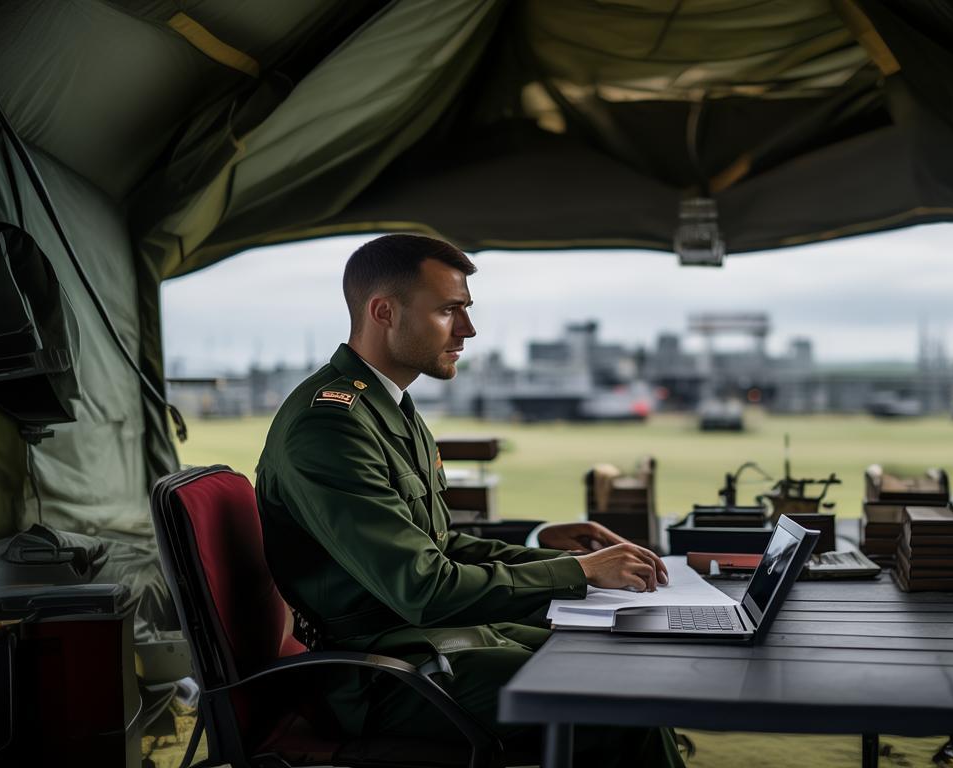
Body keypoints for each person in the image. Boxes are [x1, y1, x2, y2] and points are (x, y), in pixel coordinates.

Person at [255, 234, 683, 766]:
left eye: (466, 311)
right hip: (376, 674)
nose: (468, 330)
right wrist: (578, 574)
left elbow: (442, 545)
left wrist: (570, 561)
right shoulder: (330, 425)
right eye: (449, 311)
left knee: (618, 655)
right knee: (618, 699)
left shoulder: (390, 409)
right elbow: (424, 586)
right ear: (384, 311)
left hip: (425, 642)